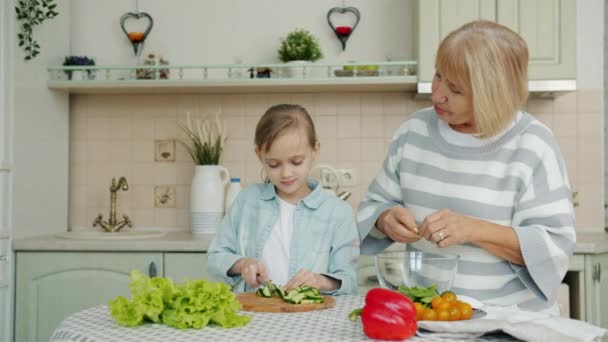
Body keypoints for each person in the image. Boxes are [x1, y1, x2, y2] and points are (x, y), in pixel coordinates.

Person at [357, 20, 575, 311]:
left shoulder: (533, 144)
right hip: (429, 319)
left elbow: (553, 247)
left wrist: (474, 229)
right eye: (438, 76)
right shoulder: (414, 132)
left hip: (509, 323)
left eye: (455, 89)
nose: (437, 94)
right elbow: (373, 205)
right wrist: (384, 219)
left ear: (493, 92)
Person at [208, 104, 359, 295]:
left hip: (310, 319)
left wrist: (320, 281)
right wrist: (243, 264)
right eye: (273, 164)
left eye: (296, 162)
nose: (286, 173)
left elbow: (349, 282)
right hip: (252, 315)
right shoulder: (247, 201)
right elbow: (215, 257)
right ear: (259, 155)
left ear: (315, 149)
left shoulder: (338, 212)